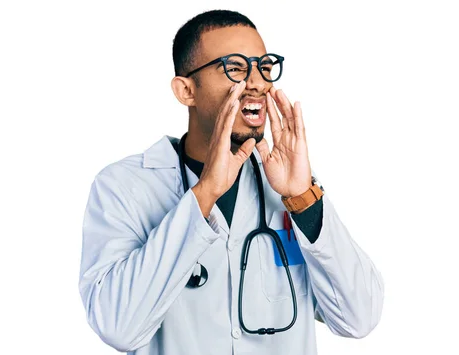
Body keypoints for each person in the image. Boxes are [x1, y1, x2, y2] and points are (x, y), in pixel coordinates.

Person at [78, 9, 384, 355]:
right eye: (235, 68)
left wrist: (305, 201)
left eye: (264, 67)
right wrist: (204, 195)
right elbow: (119, 328)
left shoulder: (288, 187)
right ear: (186, 90)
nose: (256, 83)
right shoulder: (123, 186)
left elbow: (359, 318)